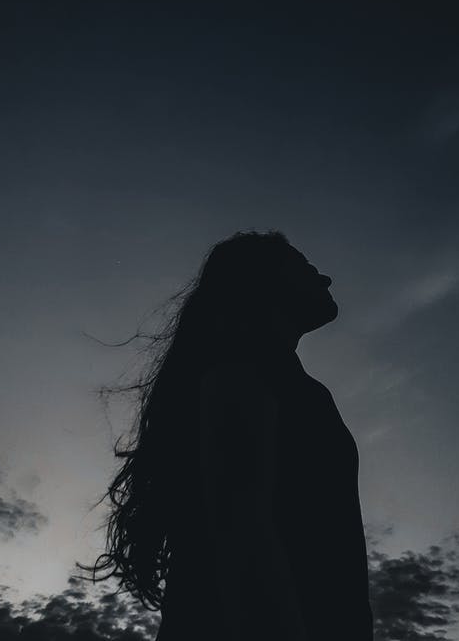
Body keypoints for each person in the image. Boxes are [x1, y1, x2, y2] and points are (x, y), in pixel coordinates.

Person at [77, 229, 374, 641]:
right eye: (307, 268)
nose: (325, 279)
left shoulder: (283, 383)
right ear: (264, 282)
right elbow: (243, 534)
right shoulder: (241, 375)